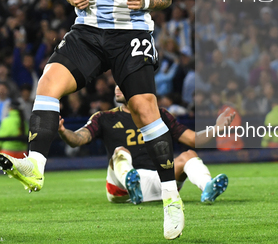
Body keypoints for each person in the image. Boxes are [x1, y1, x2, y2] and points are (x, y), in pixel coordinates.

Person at [0, 0, 182, 239]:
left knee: (145, 109)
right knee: (48, 81)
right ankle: (35, 165)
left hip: (131, 34)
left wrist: (145, 0)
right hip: (89, 31)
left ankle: (171, 198)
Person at [58, 86, 234, 205]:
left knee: (189, 154)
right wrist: (63, 131)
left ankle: (208, 188)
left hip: (160, 181)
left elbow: (194, 139)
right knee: (120, 151)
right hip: (121, 188)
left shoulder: (161, 115)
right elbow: (78, 139)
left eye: (123, 83)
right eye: (117, 84)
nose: (117, 87)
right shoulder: (104, 117)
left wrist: (216, 129)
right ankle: (131, 182)